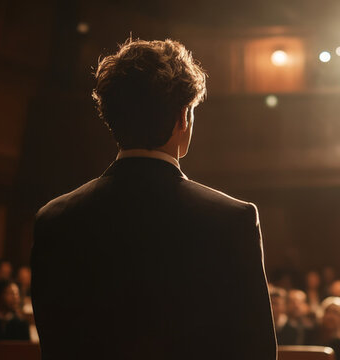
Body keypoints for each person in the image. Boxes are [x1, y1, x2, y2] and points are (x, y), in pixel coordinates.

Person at [31, 38, 275, 360]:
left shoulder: (55, 218)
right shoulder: (231, 218)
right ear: (183, 117)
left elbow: (56, 344)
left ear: (112, 117)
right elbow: (255, 351)